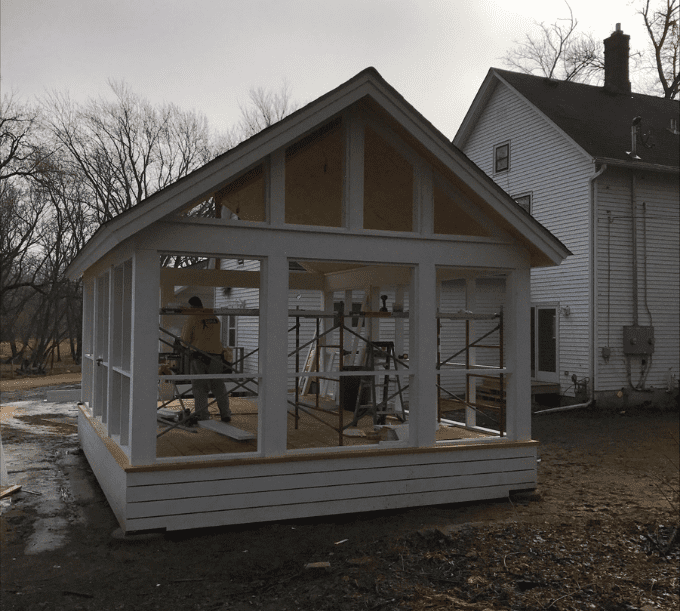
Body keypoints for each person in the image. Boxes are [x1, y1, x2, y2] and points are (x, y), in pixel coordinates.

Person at [181, 296, 233, 422]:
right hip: (216, 357)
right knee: (218, 386)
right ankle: (225, 414)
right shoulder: (214, 318)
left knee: (199, 387)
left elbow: (184, 341)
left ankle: (203, 416)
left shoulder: (192, 318)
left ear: (191, 307)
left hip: (199, 357)